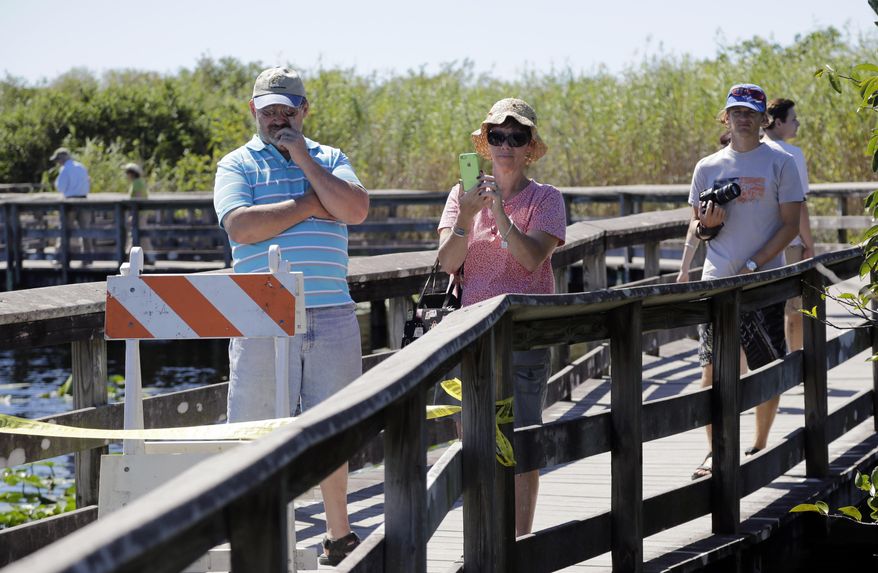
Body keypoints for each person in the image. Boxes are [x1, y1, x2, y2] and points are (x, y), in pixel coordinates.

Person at [212, 66, 369, 566]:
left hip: (331, 313)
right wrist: (310, 203)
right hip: (258, 315)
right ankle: (253, 538)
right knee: (255, 431)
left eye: (287, 108)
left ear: (304, 109)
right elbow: (241, 226)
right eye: (268, 108)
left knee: (334, 430)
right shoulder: (235, 164)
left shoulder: (330, 157)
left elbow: (355, 209)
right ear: (253, 110)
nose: (278, 117)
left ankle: (338, 534)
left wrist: (302, 157)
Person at [437, 98, 567, 536]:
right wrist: (469, 215)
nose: (506, 144)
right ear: (485, 143)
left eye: (517, 137)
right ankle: (481, 538)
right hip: (469, 338)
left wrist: (497, 214)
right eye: (498, 136)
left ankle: (518, 543)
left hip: (523, 338)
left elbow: (531, 260)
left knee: (521, 442)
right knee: (471, 442)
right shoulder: (462, 195)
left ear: (530, 147)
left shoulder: (546, 199)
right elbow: (448, 262)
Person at [687, 84, 804, 479]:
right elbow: (697, 226)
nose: (743, 117)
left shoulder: (781, 162)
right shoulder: (707, 167)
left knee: (766, 369)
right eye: (736, 110)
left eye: (751, 111)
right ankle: (716, 453)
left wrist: (754, 264)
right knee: (712, 372)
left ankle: (757, 446)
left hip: (765, 281)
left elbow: (790, 226)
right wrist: (706, 226)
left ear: (763, 119)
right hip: (717, 281)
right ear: (726, 116)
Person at [763, 98, 815, 352]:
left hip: (759, 245)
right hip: (788, 242)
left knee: (764, 308)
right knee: (795, 308)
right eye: (793, 119)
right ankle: (795, 364)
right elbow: (800, 205)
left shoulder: (753, 151)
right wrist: (809, 244)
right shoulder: (792, 154)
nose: (797, 123)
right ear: (778, 121)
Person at [50, 147, 93, 259]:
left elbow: (61, 187)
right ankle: (88, 257)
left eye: (58, 160)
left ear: (62, 158)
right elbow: (88, 183)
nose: (57, 162)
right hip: (84, 200)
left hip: (70, 202)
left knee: (64, 229)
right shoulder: (81, 166)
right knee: (85, 230)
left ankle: (60, 256)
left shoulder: (65, 169)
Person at [123, 163, 153, 259]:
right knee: (142, 236)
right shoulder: (139, 182)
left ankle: (129, 256)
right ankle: (149, 257)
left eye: (127, 173)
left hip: (139, 213)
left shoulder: (137, 183)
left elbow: (138, 199)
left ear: (131, 173)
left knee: (136, 234)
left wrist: (133, 214)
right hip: (140, 213)